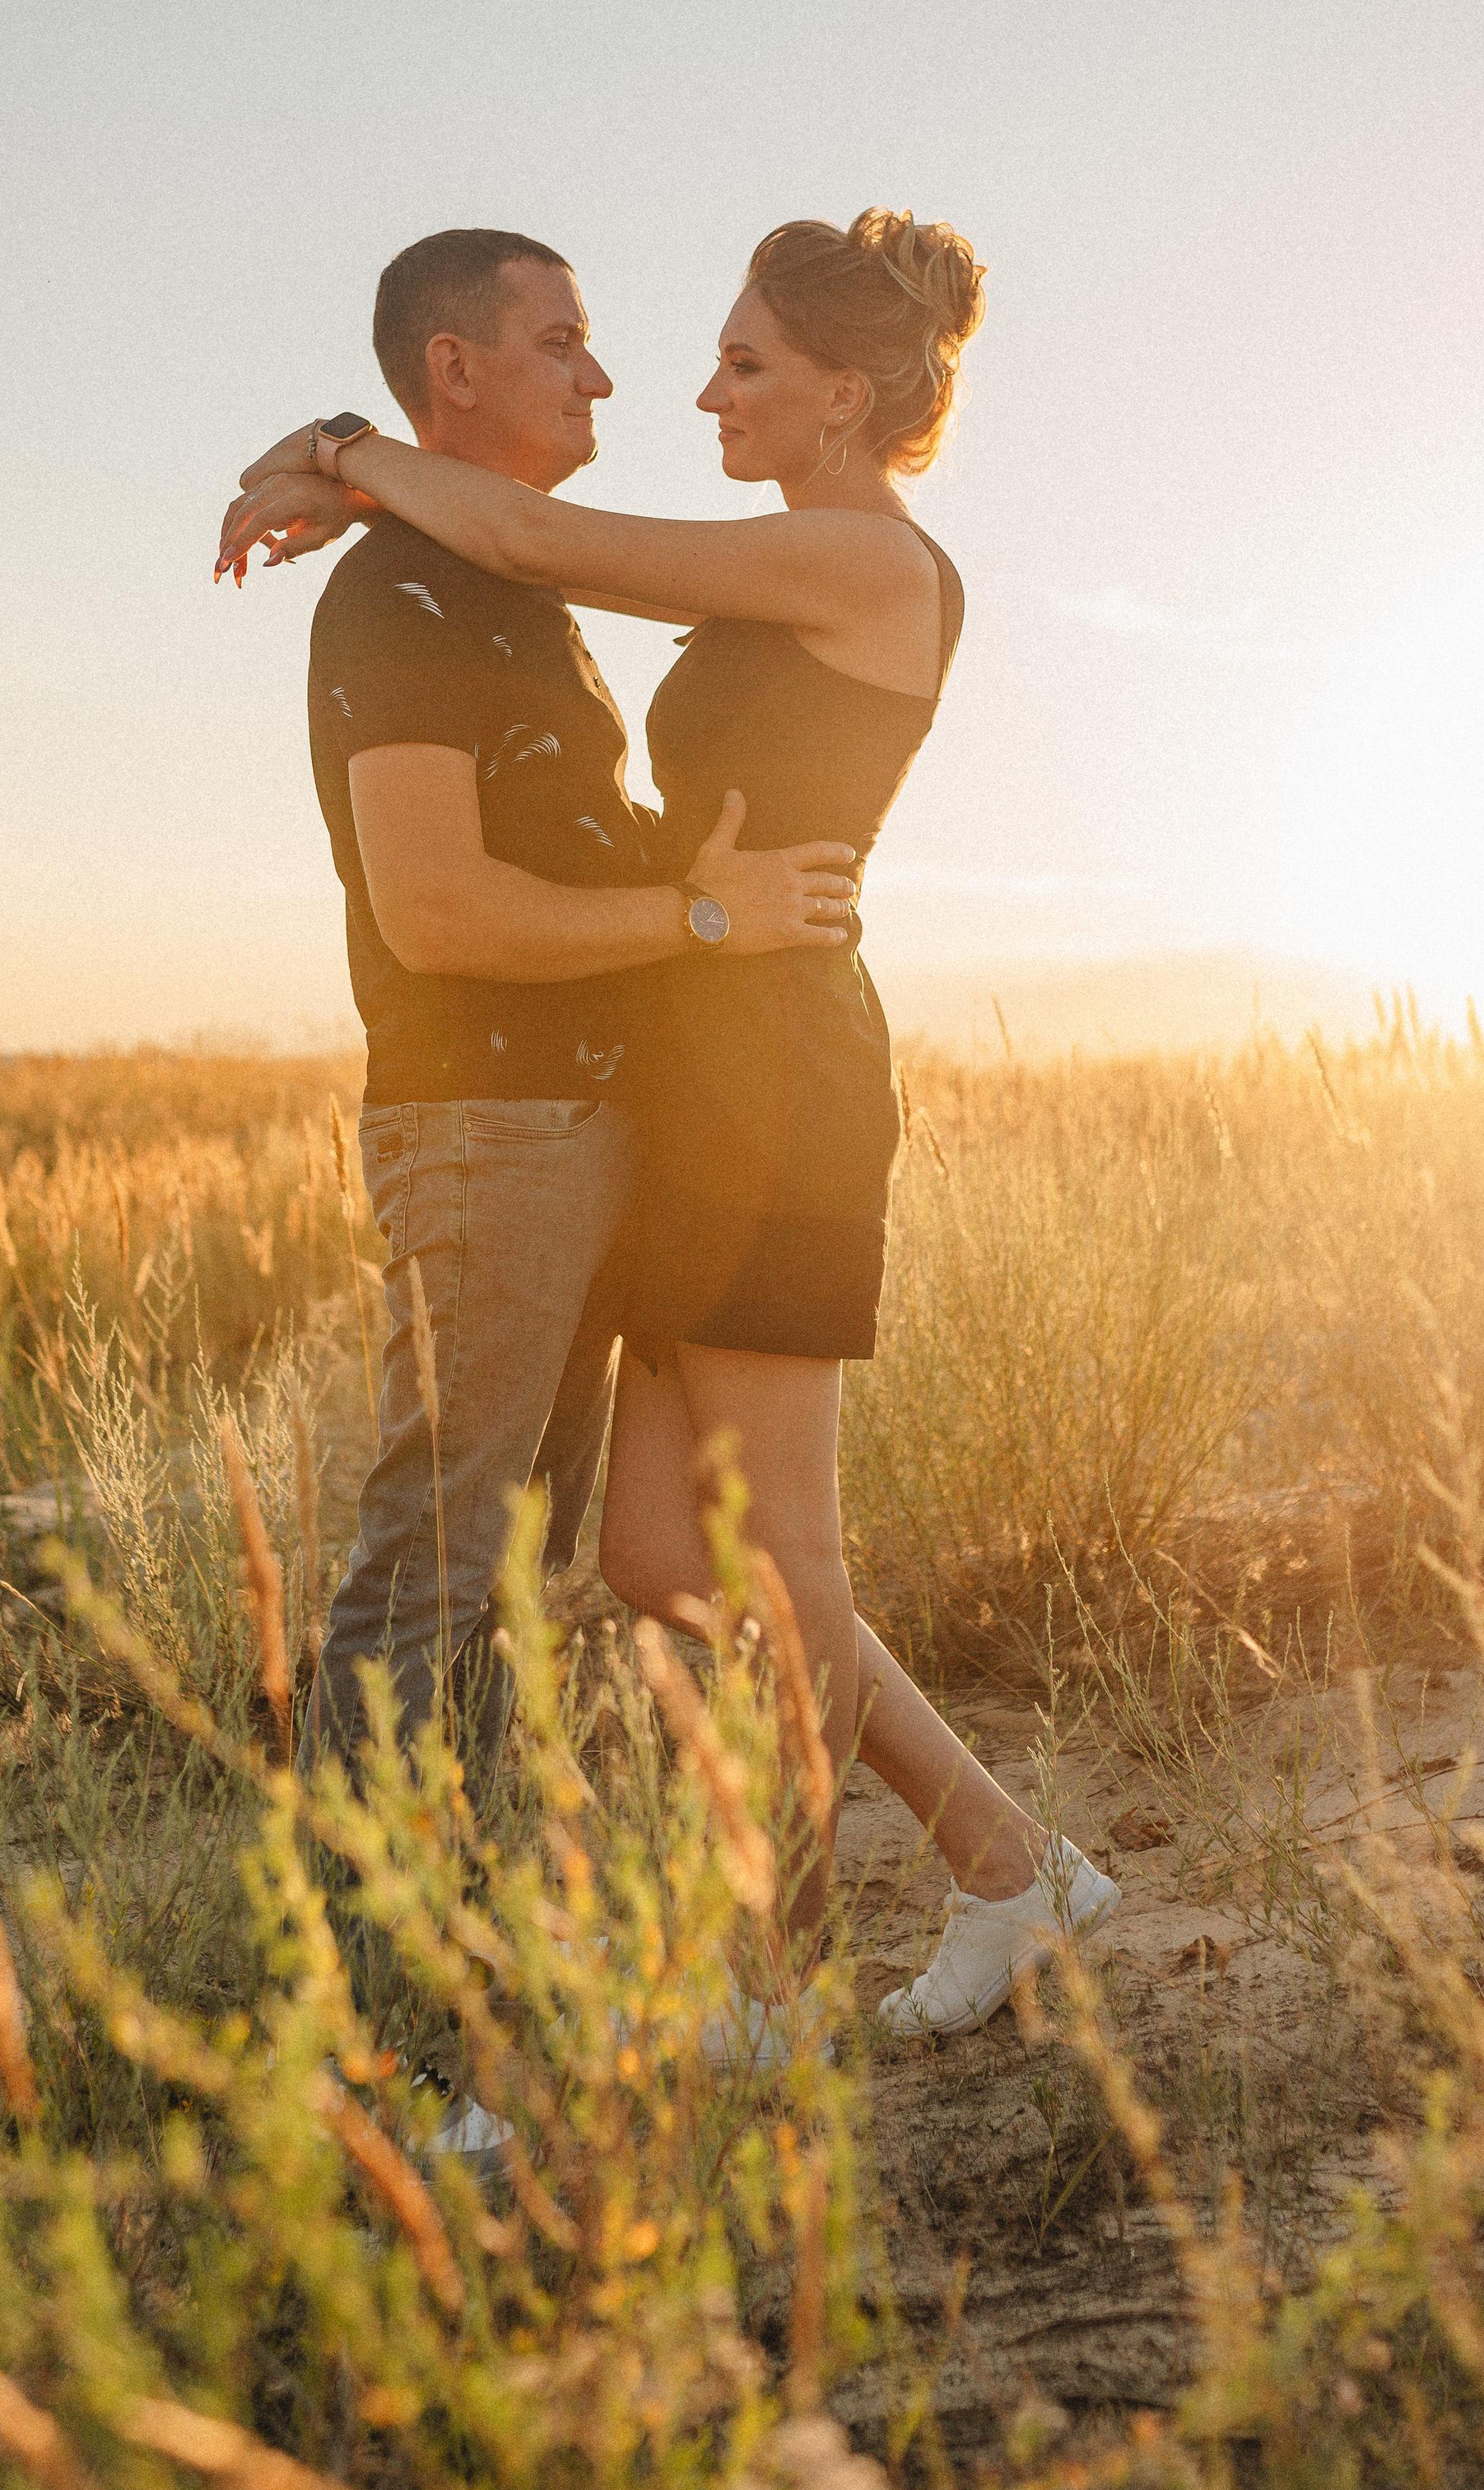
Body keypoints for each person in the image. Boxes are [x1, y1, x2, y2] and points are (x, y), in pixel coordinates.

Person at [220, 209, 1121, 2037]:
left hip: (775, 1064)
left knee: (781, 1560)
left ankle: (779, 1968)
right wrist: (363, 479)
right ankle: (1012, 1866)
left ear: (841, 396)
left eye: (743, 366)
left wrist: (335, 454)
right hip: (691, 1065)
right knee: (648, 1562)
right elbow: (518, 542)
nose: (693, 389)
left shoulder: (868, 566)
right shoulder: (779, 559)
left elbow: (537, 535)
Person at [225, 228, 863, 1826]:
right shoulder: (401, 595)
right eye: (561, 339)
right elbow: (437, 913)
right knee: (434, 1557)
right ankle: (379, 2035)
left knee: (511, 1564)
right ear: (455, 368)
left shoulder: (508, 583)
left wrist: (335, 458)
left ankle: (468, 1978)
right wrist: (703, 918)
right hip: (487, 1128)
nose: (601, 373)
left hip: (579, 1126)